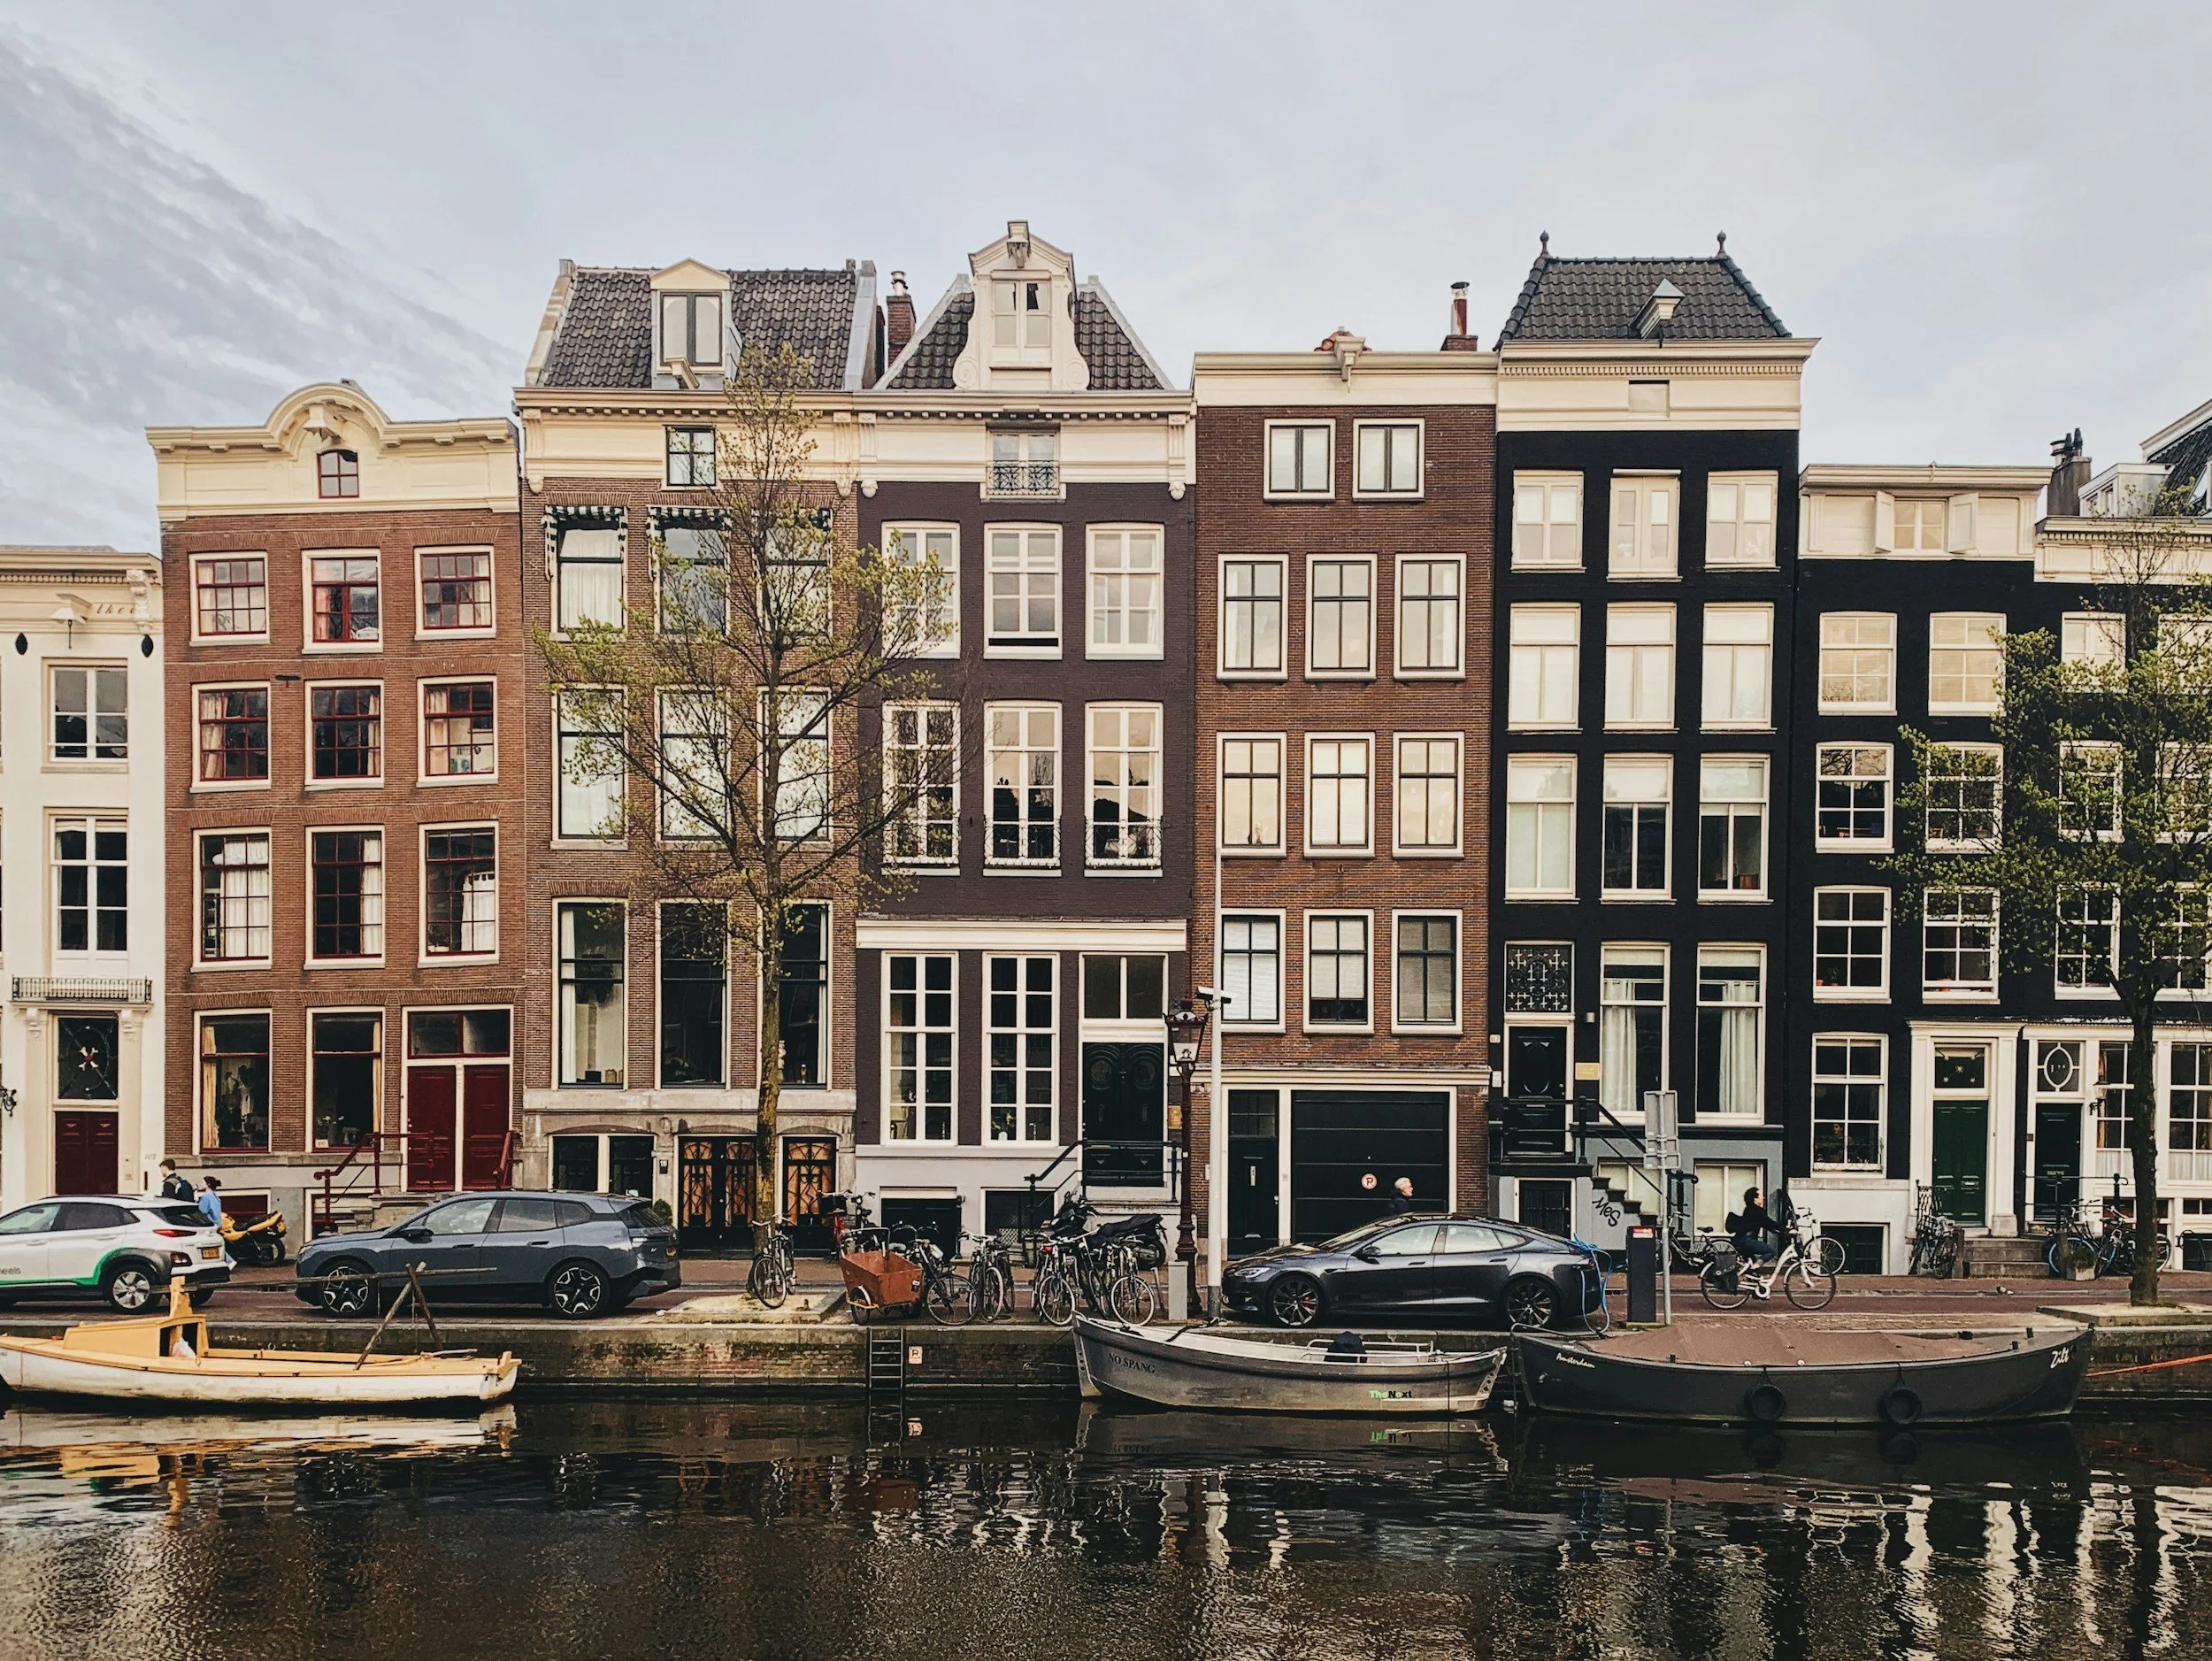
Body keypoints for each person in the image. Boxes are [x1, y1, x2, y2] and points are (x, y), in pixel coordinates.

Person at [1730, 1186, 1779, 1261]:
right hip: (1747, 1241)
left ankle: (1751, 1267)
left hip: (1739, 1239)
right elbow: (1770, 1223)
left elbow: (1764, 1224)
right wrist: (1787, 1230)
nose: (1763, 1198)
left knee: (1752, 1264)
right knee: (1771, 1251)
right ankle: (1755, 1265)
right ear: (1755, 1199)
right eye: (1761, 1196)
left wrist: (1777, 1231)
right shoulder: (1758, 1211)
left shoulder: (1749, 1209)